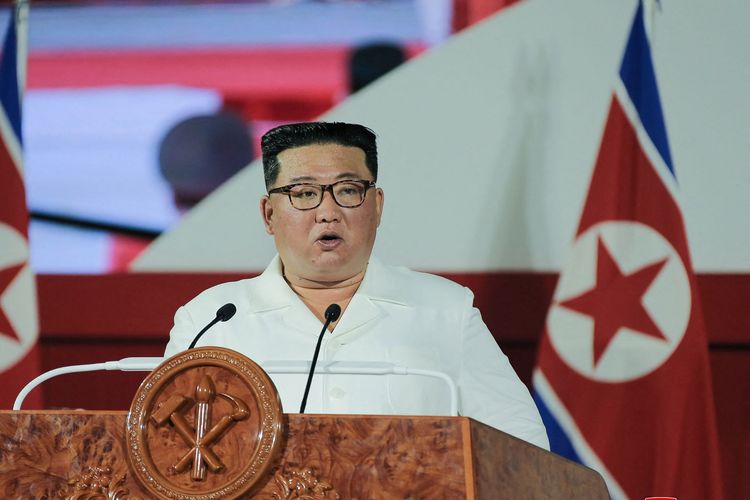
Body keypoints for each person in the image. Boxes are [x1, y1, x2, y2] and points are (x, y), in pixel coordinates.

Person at [164, 122, 549, 450]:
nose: (327, 212)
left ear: (376, 206)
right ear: (269, 214)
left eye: (348, 190)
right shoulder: (211, 321)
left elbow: (521, 447)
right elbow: (165, 447)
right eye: (304, 193)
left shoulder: (445, 310)